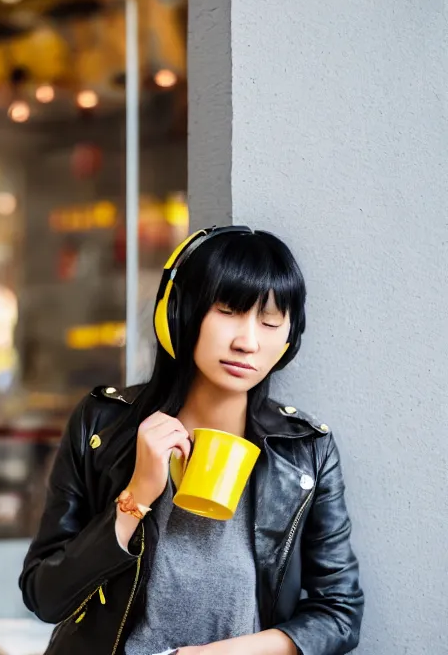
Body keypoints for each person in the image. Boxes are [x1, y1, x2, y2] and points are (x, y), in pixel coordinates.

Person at [19, 225, 364, 655]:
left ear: (289, 339)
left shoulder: (306, 453)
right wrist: (136, 495)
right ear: (179, 314)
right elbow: (45, 595)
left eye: (270, 320)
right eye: (228, 311)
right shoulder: (103, 426)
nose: (248, 341)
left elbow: (339, 613)